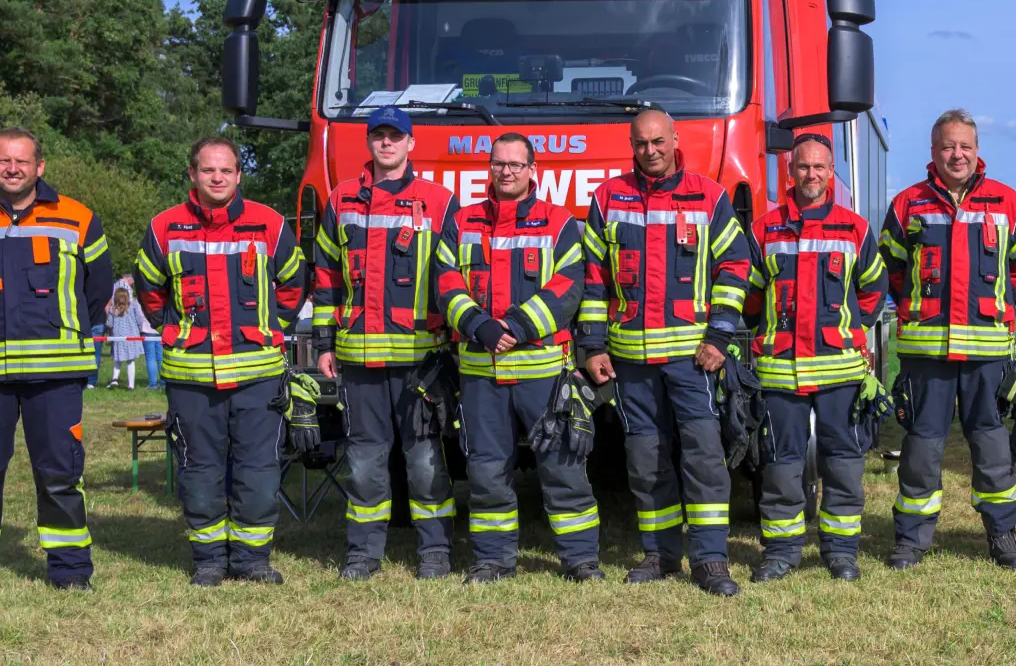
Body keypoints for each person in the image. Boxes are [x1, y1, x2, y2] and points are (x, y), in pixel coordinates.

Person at [0, 128, 111, 601]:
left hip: (56, 374)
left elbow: (98, 292)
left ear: (40, 167)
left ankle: (70, 569)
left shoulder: (78, 219)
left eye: (23, 161)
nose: (13, 168)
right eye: (4, 160)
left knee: (60, 472)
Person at [577, 109, 751, 596]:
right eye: (640, 143)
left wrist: (718, 337)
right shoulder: (607, 198)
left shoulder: (709, 196)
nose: (649, 151)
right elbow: (594, 279)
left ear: (675, 140)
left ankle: (712, 558)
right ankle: (661, 554)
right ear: (630, 145)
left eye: (658, 141)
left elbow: (736, 268)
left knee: (704, 458)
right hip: (630, 360)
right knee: (645, 458)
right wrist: (592, 345)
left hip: (692, 360)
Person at [136, 136, 307, 586]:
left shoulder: (268, 223)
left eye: (226, 170)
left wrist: (271, 327)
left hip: (258, 376)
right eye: (208, 170)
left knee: (259, 470)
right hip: (192, 377)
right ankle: (209, 560)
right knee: (200, 470)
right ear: (192, 174)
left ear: (238, 176)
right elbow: (149, 290)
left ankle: (252, 560)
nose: (217, 177)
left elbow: (293, 283)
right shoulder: (164, 228)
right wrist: (173, 332)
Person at [434, 133, 603, 584]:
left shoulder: (560, 223)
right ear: (488, 169)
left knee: (564, 467)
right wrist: (478, 324)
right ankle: (492, 560)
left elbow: (569, 285)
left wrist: (515, 327)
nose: (505, 171)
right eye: (498, 164)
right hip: (480, 373)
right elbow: (445, 280)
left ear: (533, 170)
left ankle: (581, 560)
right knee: (486, 471)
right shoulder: (463, 221)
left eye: (514, 164)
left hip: (543, 373)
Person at [880, 108, 1016, 571]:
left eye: (965, 146)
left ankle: (1003, 535)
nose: (957, 154)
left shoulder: (1007, 202)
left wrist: (997, 303)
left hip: (987, 352)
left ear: (977, 151)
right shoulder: (909, 203)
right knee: (921, 449)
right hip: (926, 351)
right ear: (933, 152)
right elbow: (890, 266)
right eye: (948, 146)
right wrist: (913, 308)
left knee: (991, 445)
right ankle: (911, 540)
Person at [313, 105, 459, 581]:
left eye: (395, 136)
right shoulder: (341, 200)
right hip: (358, 359)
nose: (387, 143)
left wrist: (454, 341)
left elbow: (454, 276)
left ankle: (435, 551)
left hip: (421, 360)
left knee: (424, 459)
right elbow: (326, 276)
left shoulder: (439, 201)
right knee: (363, 462)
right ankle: (363, 554)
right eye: (378, 135)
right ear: (370, 142)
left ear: (412, 144)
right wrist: (323, 341)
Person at [744, 133, 888, 582]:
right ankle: (782, 552)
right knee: (781, 465)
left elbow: (874, 289)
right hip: (779, 371)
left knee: (843, 463)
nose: (811, 175)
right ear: (790, 172)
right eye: (803, 167)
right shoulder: (763, 230)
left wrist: (842, 332)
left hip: (839, 372)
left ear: (831, 174)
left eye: (820, 167)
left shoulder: (855, 229)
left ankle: (841, 552)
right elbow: (749, 297)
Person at [105, 286, 143, 390]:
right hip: (132, 337)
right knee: (131, 361)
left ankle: (114, 379)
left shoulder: (113, 310)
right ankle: (131, 385)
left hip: (118, 338)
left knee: (117, 360)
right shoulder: (133, 306)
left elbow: (109, 323)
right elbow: (139, 320)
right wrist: (139, 329)